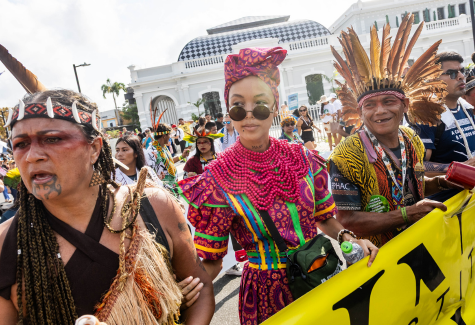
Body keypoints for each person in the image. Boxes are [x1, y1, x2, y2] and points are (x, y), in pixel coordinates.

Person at [177, 46, 378, 325]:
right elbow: (211, 261)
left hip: (318, 274)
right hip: (266, 296)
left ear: (273, 107)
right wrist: (180, 293)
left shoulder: (303, 158)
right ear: (228, 112)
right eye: (237, 106)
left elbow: (324, 218)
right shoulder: (215, 180)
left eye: (259, 105)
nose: (249, 114)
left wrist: (350, 239)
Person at [0, 89, 214, 324]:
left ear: (94, 148)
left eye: (52, 139)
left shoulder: (152, 206)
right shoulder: (7, 242)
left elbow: (201, 289)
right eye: (20, 144)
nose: (32, 156)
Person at [329, 14, 455, 249]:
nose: (380, 111)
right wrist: (406, 215)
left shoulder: (412, 139)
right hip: (380, 261)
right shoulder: (346, 156)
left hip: (423, 243)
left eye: (389, 101)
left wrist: (444, 182)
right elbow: (347, 220)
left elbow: (413, 184)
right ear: (361, 110)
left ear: (405, 105)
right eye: (370, 105)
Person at [414, 52, 475, 177]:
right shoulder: (427, 116)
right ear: (433, 80)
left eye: (462, 71)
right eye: (452, 73)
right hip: (449, 195)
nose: (461, 76)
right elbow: (418, 166)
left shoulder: (466, 108)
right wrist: (458, 168)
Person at [146, 122, 190, 190]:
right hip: (163, 190)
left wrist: (182, 156)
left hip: (172, 186)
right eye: (169, 134)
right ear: (164, 136)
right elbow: (148, 174)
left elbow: (169, 162)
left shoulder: (163, 147)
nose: (170, 137)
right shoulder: (151, 151)